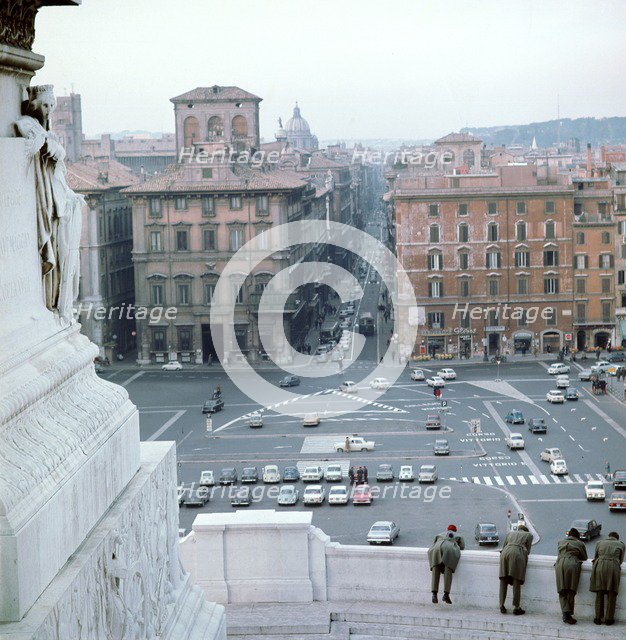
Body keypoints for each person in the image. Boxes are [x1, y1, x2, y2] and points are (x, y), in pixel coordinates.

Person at [590, 531, 625, 625]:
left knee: (599, 592)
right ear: (617, 538)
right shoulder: (621, 544)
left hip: (600, 566)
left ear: (609, 537)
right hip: (613, 567)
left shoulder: (599, 543)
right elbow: (621, 560)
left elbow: (596, 557)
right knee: (612, 593)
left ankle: (598, 618)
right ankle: (609, 619)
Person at [555, 527, 588, 624]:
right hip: (572, 564)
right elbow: (584, 557)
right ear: (577, 537)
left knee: (562, 590)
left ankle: (565, 613)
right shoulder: (580, 543)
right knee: (571, 590)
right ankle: (568, 615)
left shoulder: (560, 542)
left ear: (569, 535)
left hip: (560, 564)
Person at [499, 524, 533, 615]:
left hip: (505, 553)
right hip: (518, 554)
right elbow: (528, 551)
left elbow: (503, 546)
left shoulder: (510, 533)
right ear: (525, 530)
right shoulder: (529, 535)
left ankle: (501, 605)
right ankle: (516, 607)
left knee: (503, 579)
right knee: (516, 581)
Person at [427, 525, 465, 604]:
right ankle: (446, 595)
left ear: (447, 529)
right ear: (455, 531)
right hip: (449, 548)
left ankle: (434, 594)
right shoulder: (458, 535)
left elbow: (434, 542)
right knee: (448, 568)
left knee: (435, 568)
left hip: (436, 548)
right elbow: (462, 546)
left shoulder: (440, 534)